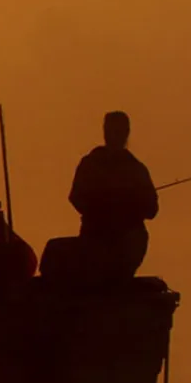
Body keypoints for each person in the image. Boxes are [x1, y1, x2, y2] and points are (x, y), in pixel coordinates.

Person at [66, 111, 158, 280]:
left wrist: (129, 204)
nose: (115, 135)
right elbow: (75, 197)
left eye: (119, 131)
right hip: (95, 239)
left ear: (126, 132)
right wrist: (101, 207)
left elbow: (152, 209)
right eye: (111, 130)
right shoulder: (91, 163)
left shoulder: (136, 169)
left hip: (127, 242)